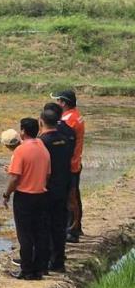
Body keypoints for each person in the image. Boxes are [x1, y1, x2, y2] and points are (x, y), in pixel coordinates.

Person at [3, 117, 50, 280]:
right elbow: (48, 173)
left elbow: (15, 179)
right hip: (41, 196)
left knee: (25, 235)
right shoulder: (42, 147)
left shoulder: (20, 151)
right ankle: (38, 270)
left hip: (24, 197)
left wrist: (6, 194)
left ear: (23, 131)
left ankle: (26, 270)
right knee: (39, 234)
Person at [38, 106, 73, 273]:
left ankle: (44, 262)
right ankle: (59, 261)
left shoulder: (42, 142)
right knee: (59, 226)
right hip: (63, 187)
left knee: (44, 226)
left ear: (41, 122)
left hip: (47, 189)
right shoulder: (65, 139)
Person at [53, 89, 85, 242]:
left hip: (69, 165)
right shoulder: (76, 115)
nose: (56, 103)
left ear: (64, 103)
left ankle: (72, 230)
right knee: (74, 196)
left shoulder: (68, 121)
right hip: (75, 163)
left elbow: (64, 146)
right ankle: (76, 227)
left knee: (70, 198)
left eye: (58, 100)